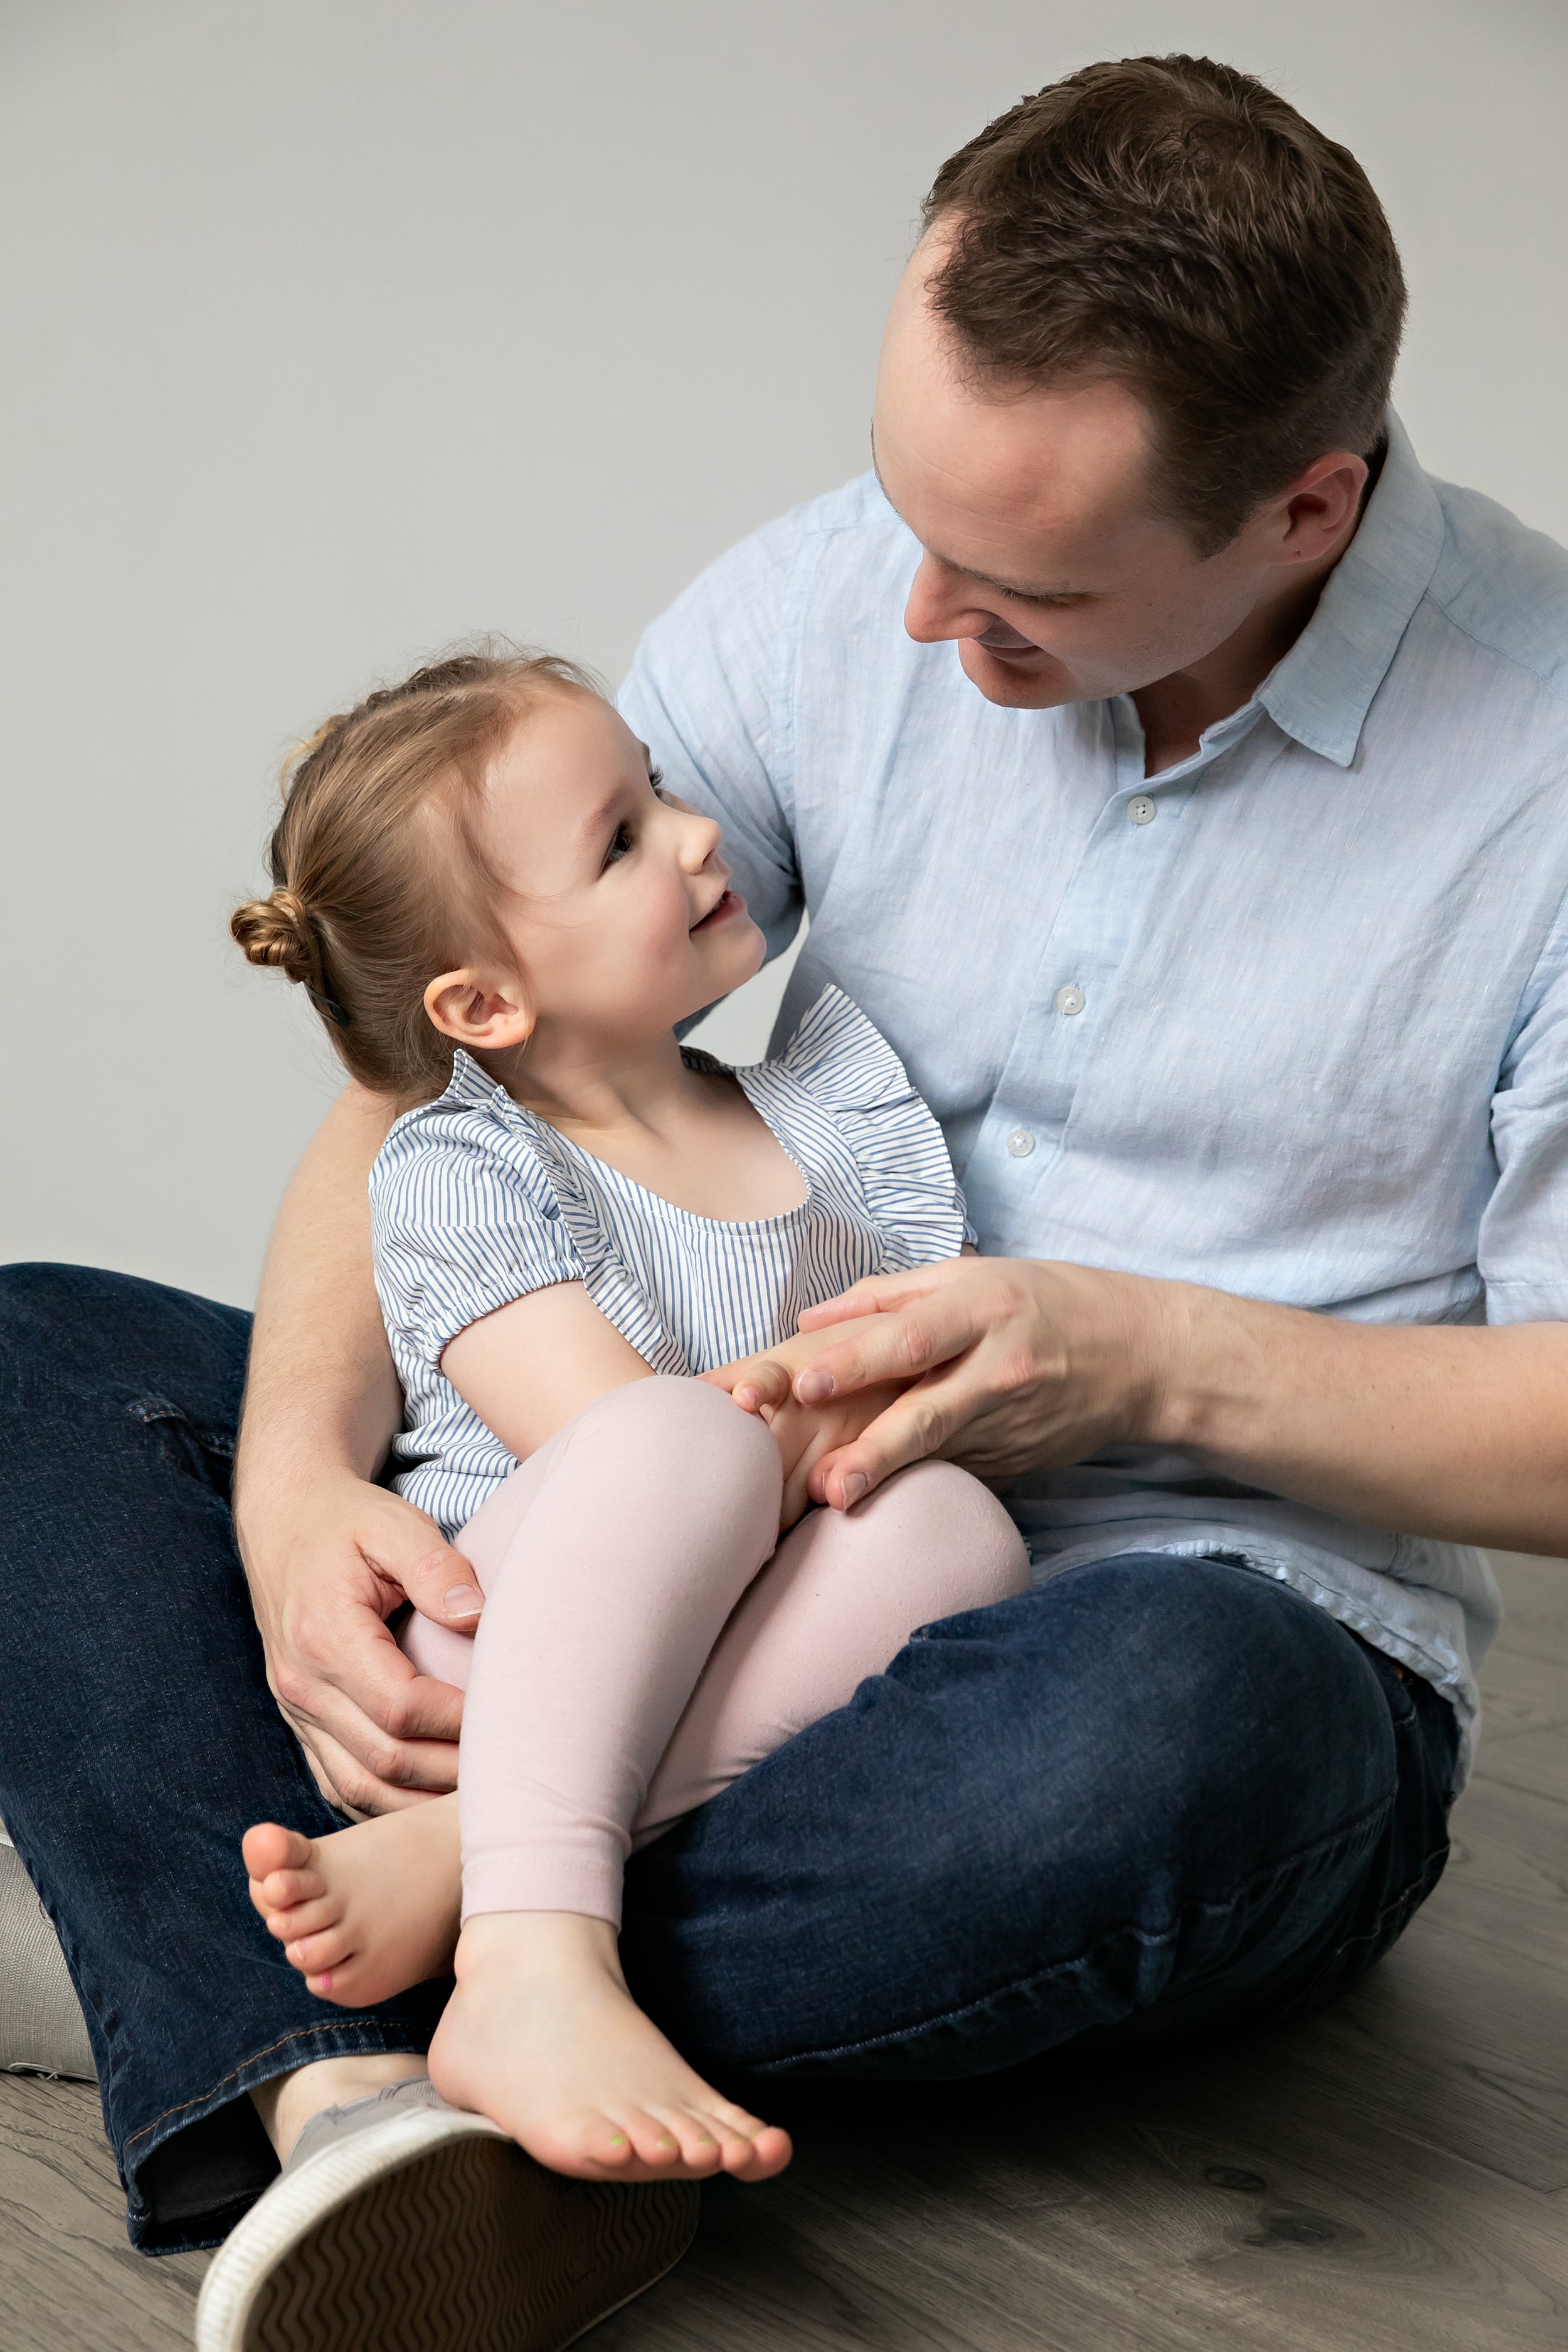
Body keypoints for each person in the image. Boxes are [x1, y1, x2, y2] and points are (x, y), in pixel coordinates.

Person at [3, 48, 1564, 2352]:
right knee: (39, 1348)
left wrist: (1132, 1355)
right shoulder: (856, 588)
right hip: (658, 1492)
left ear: (1304, 512)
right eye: (899, 512)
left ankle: (232, 1959)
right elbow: (474, 1044)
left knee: (1173, 1744)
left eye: (1025, 587)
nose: (916, 619)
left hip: (1142, 1611)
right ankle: (376, 2057)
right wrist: (290, 1486)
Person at [227, 647, 1027, 2178]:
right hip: (508, 1643)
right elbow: (616, 1446)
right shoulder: (466, 1170)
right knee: (676, 1438)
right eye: (619, 840)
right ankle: (533, 1955)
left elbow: (915, 1408)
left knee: (955, 1521)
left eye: (653, 788)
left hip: (729, 1650)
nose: (694, 833)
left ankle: (474, 1861)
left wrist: (852, 1432)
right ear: (483, 999)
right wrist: (820, 1424)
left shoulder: (827, 1119)